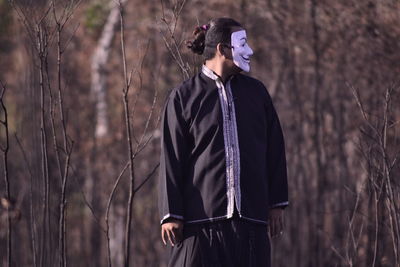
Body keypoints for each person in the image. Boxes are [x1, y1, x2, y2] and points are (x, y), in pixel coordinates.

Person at [158, 17, 289, 267]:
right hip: (199, 226)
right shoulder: (183, 97)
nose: (249, 50)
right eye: (242, 43)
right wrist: (171, 214)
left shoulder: (257, 94)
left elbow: (274, 150)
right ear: (222, 49)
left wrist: (276, 203)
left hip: (251, 223)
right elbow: (171, 157)